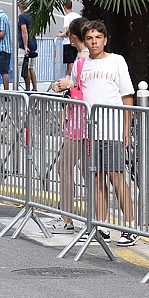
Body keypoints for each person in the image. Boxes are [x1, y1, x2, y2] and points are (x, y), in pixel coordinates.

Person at [71, 20, 136, 246]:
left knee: (116, 176)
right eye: (89, 38)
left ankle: (129, 225)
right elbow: (75, 90)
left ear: (105, 39)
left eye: (98, 37)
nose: (94, 42)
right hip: (91, 132)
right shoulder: (81, 65)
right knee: (96, 178)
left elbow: (128, 96)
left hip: (113, 129)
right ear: (84, 41)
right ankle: (101, 224)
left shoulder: (116, 61)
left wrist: (126, 129)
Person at [48, 16, 89, 235]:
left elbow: (80, 91)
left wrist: (67, 85)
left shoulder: (82, 60)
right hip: (81, 119)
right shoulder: (88, 58)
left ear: (73, 37)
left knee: (65, 167)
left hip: (80, 121)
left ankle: (66, 218)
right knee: (84, 169)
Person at [57, 0, 81, 76]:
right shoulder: (78, 16)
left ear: (64, 7)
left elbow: (68, 32)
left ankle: (70, 77)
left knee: (69, 62)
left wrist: (60, 35)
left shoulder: (67, 17)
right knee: (75, 60)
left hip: (68, 42)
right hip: (77, 42)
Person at [18, 2, 38, 91]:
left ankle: (27, 88)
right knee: (31, 67)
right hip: (33, 42)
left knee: (25, 67)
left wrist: (25, 46)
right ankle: (34, 87)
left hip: (26, 44)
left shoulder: (22, 16)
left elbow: (24, 31)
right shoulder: (33, 15)